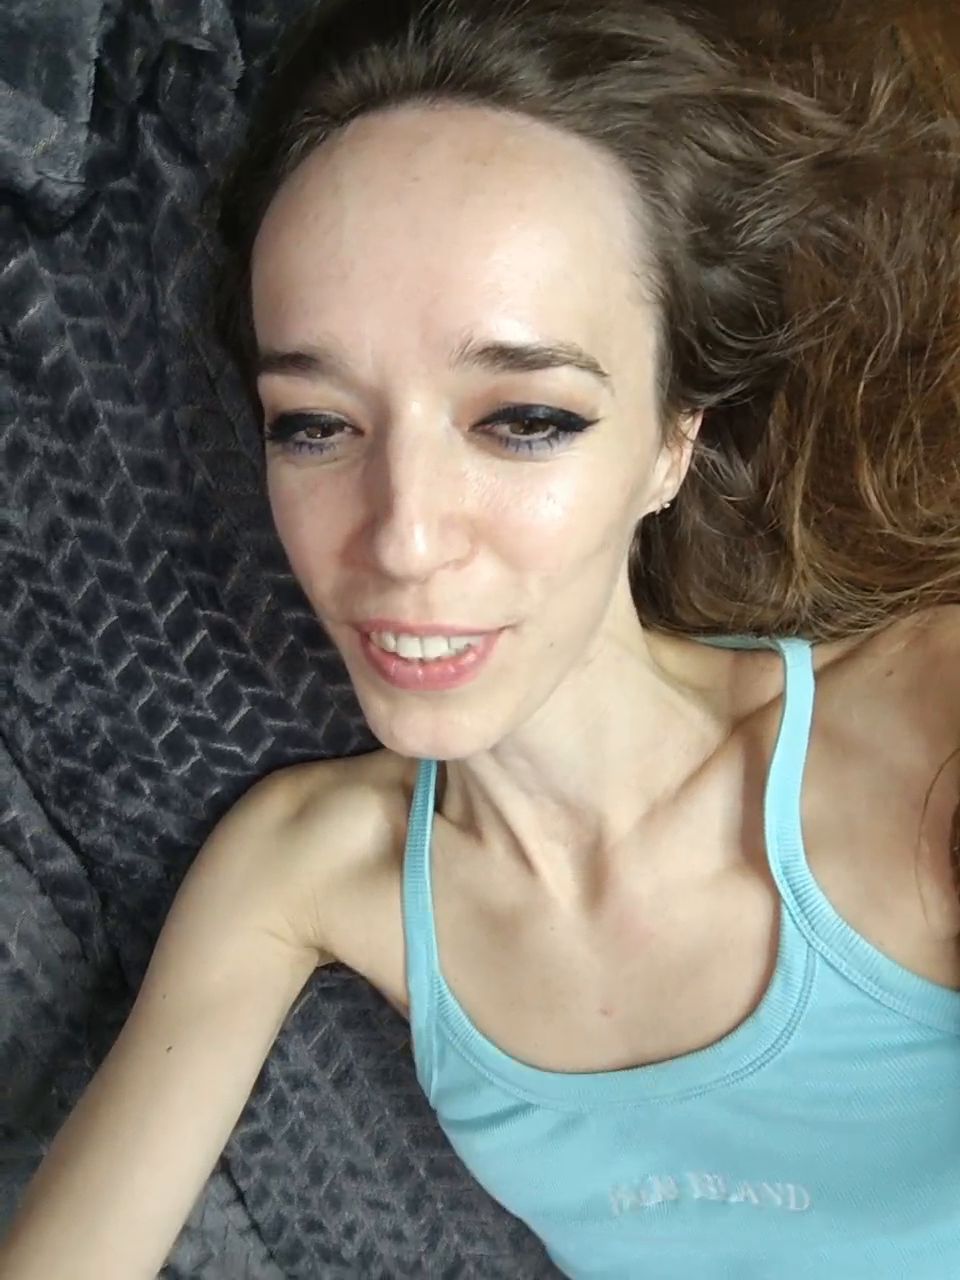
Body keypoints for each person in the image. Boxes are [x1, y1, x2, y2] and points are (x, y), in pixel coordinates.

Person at [2, 0, 959, 1276]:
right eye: (315, 425)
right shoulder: (304, 866)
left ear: (675, 439)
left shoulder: (931, 725)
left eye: (524, 420)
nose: (401, 538)